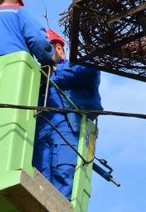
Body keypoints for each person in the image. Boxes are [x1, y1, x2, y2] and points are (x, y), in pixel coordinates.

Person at [33, 29, 102, 200]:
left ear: (58, 48)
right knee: (40, 177)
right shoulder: (36, 76)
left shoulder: (73, 67)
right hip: (41, 132)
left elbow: (90, 71)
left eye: (45, 49)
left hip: (67, 129)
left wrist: (53, 75)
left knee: (63, 172)